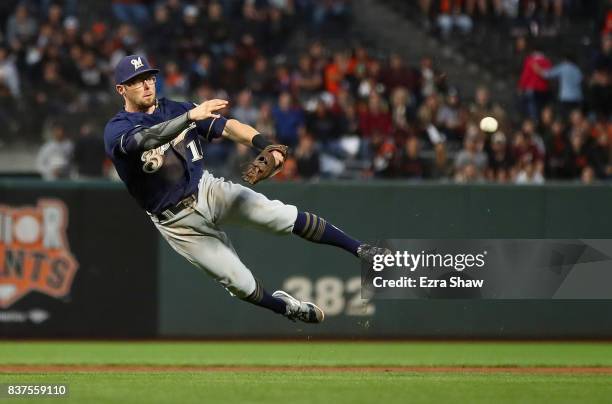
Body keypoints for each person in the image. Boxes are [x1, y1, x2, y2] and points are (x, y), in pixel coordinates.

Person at [103, 55, 389, 324]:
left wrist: (268, 146)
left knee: (279, 216)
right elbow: (147, 137)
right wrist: (191, 117)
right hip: (177, 223)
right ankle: (285, 307)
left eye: (149, 77)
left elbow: (229, 128)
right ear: (121, 89)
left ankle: (362, 250)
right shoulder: (117, 130)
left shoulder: (176, 108)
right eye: (137, 80)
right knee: (241, 285)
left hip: (207, 190)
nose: (146, 84)